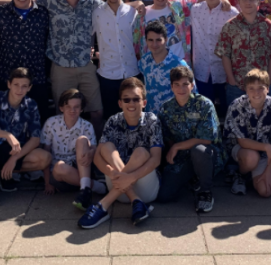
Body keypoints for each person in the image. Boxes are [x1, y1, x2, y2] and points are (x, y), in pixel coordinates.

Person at [37, 0, 143, 135]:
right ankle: (64, 149)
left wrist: (137, 4)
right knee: (62, 111)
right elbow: (25, 0)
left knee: (97, 112)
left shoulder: (92, 3)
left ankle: (97, 147)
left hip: (86, 65)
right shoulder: (50, 0)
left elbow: (114, 6)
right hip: (60, 66)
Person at [79, 78, 162, 229]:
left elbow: (156, 159)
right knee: (106, 147)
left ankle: (103, 205)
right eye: (127, 99)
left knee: (141, 153)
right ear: (120, 103)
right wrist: (113, 173)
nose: (131, 103)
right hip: (119, 187)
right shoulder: (113, 121)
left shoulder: (152, 120)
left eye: (136, 99)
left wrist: (130, 177)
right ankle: (136, 201)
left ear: (144, 102)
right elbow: (98, 156)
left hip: (146, 188)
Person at [0, 68, 52, 207]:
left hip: (13, 151)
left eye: (24, 86)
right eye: (16, 84)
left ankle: (3, 173)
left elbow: (35, 138)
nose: (19, 89)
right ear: (9, 84)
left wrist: (14, 159)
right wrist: (7, 135)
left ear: (29, 88)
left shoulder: (30, 105)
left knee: (45, 158)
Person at [158, 66, 220, 212]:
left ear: (192, 85)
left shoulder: (204, 105)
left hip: (207, 154)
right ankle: (191, 177)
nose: (181, 88)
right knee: (163, 196)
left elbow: (206, 140)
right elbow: (167, 138)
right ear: (172, 87)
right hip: (182, 158)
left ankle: (205, 191)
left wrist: (177, 147)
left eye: (185, 84)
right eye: (177, 85)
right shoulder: (166, 109)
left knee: (198, 150)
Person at [224, 69, 271, 198]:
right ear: (245, 89)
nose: (256, 92)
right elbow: (242, 141)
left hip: (267, 154)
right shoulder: (237, 106)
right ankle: (240, 174)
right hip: (243, 150)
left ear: (268, 88)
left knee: (265, 192)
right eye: (251, 88)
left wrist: (268, 171)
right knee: (252, 158)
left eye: (261, 88)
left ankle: (254, 176)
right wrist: (267, 147)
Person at [0, 0, 51, 119]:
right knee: (5, 115)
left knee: (38, 115)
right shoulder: (0, 13)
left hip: (36, 74)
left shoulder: (43, 13)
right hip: (6, 73)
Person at [215, 0, 271, 107]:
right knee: (237, 122)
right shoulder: (230, 26)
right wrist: (232, 80)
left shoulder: (268, 26)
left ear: (258, 2)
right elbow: (225, 55)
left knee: (264, 121)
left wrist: (269, 80)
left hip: (262, 86)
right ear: (238, 1)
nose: (248, 2)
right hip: (237, 86)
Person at [93, 0, 143, 120]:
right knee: (111, 117)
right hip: (108, 74)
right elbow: (86, 37)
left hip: (132, 71)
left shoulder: (133, 12)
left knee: (134, 115)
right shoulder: (96, 13)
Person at [40, 89, 102, 209]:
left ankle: (84, 190)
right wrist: (47, 182)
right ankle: (96, 186)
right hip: (60, 174)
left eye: (76, 107)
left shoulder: (86, 125)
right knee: (59, 166)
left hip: (81, 166)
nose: (72, 110)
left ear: (82, 109)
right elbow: (46, 153)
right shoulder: (51, 123)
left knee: (82, 140)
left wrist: (91, 152)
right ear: (61, 107)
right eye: (68, 106)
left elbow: (94, 147)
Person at [190, 0, 238, 117]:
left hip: (223, 68)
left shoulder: (232, 13)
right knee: (205, 109)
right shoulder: (195, 9)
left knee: (225, 109)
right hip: (201, 67)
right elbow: (175, 2)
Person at [139, 21, 194, 114]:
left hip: (173, 119)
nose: (154, 44)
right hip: (151, 119)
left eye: (158, 40)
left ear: (166, 39)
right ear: (146, 41)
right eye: (150, 40)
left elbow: (192, 94)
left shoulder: (179, 64)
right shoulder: (144, 61)